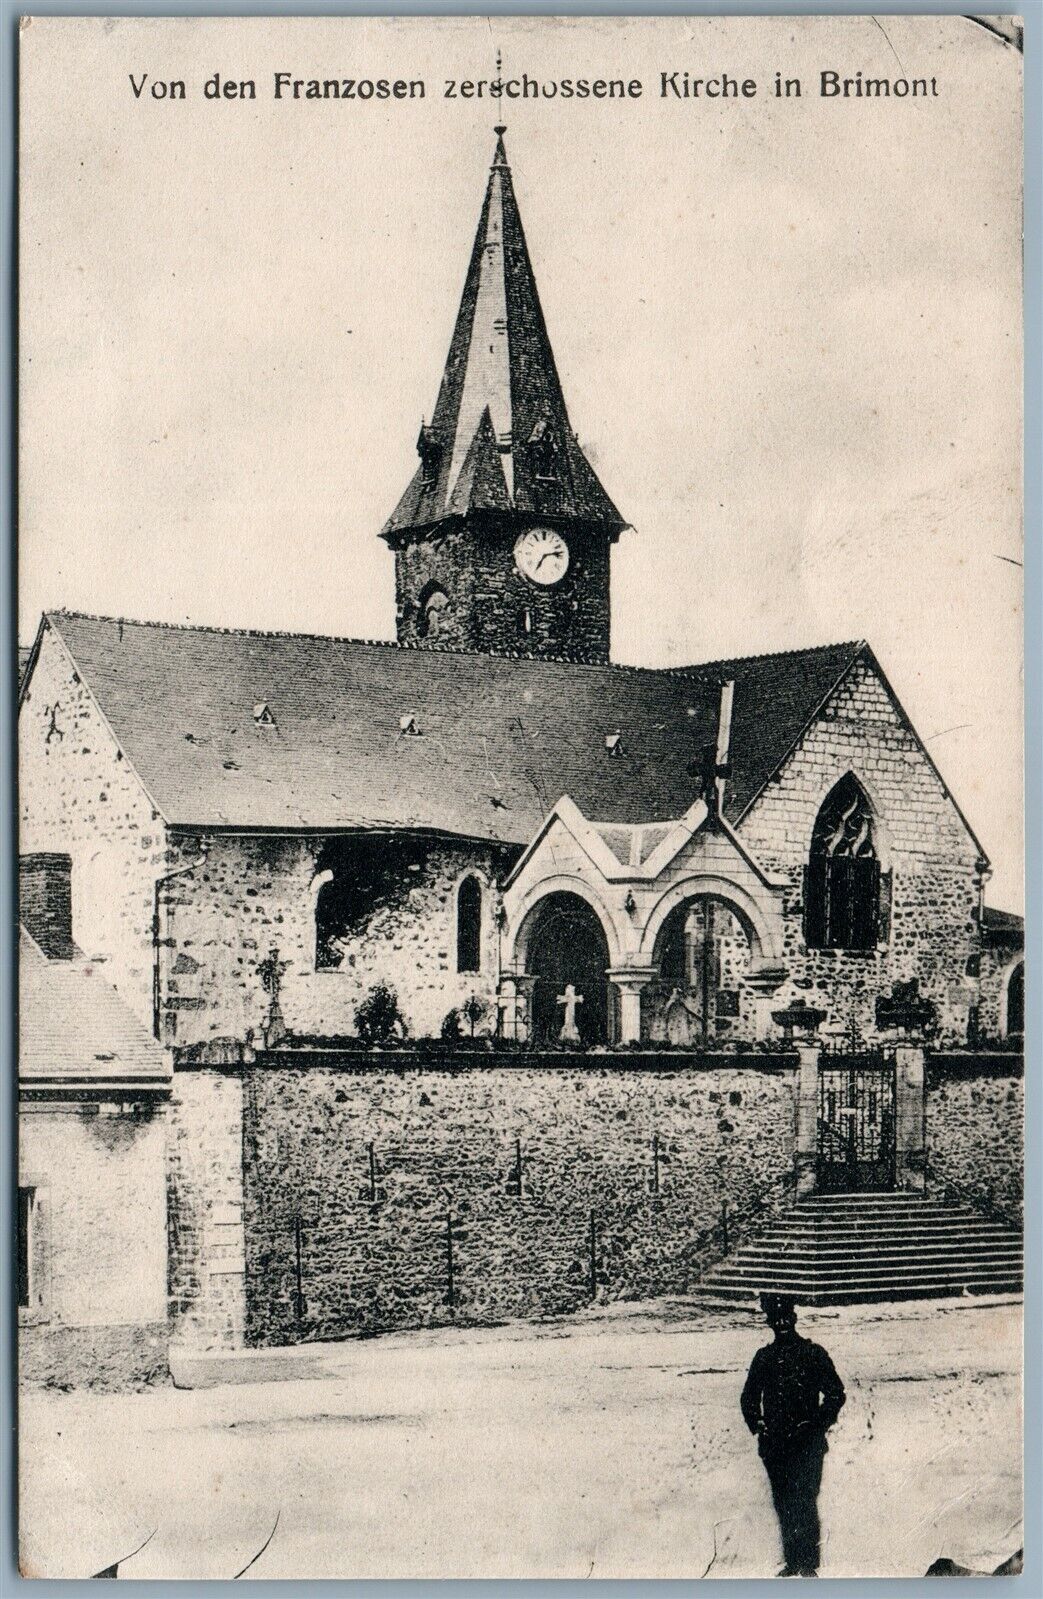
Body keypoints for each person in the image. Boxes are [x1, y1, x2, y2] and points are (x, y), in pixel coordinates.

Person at [740, 1293, 846, 1578]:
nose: (782, 1324)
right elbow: (749, 1397)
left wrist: (818, 1424)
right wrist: (757, 1423)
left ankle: (808, 1564)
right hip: (775, 1444)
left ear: (795, 1319)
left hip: (807, 1442)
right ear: (770, 1323)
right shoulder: (764, 1358)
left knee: (806, 1498)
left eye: (786, 1318)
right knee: (784, 1501)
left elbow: (836, 1393)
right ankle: (792, 1561)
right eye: (777, 1320)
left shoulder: (814, 1354)